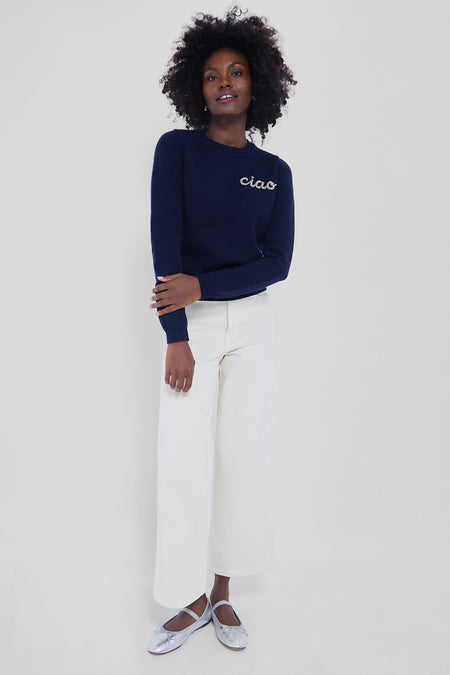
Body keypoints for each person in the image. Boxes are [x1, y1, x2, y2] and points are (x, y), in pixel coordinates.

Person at [147, 5, 297, 654]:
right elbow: (166, 245)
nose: (224, 83)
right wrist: (176, 333)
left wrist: (202, 284)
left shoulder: (275, 172)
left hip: (253, 323)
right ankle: (190, 597)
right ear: (197, 87)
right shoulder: (177, 150)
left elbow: (277, 264)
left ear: (256, 83)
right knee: (184, 459)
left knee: (244, 457)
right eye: (212, 75)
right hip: (195, 328)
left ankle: (224, 589)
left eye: (236, 72)